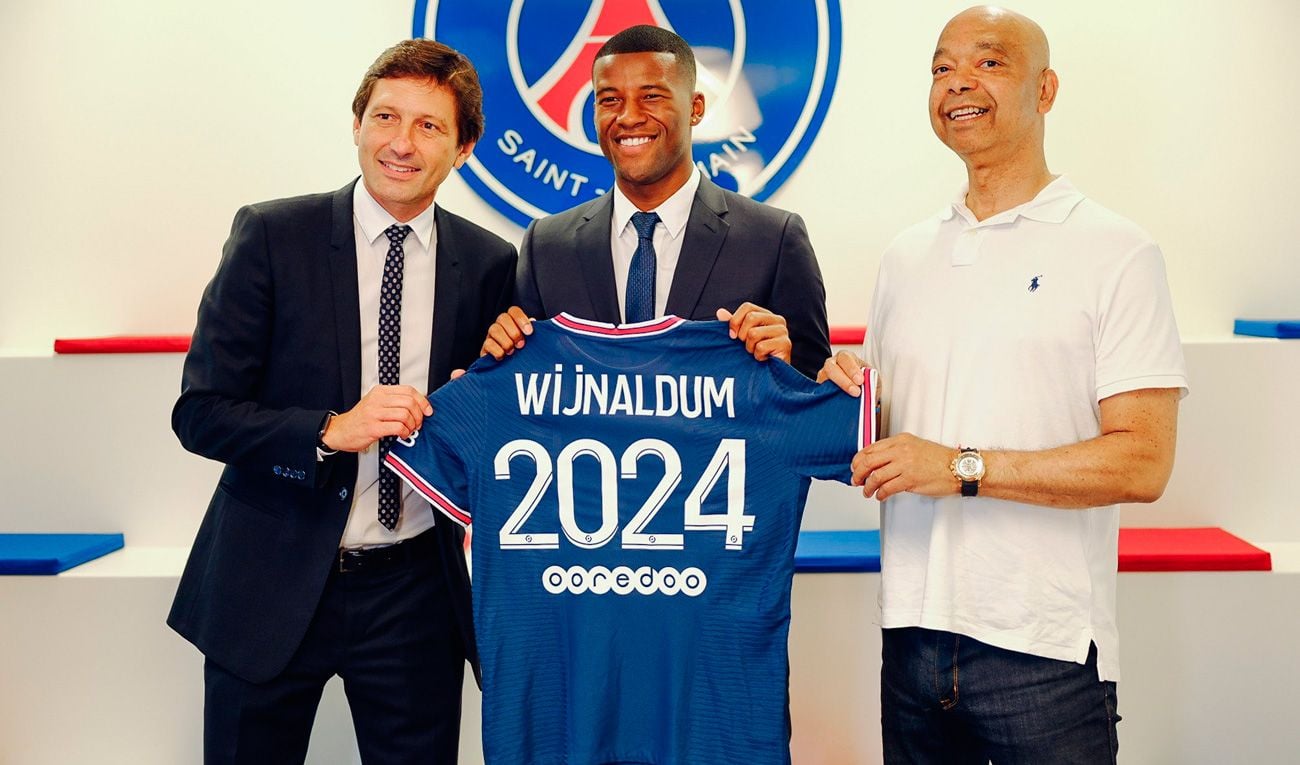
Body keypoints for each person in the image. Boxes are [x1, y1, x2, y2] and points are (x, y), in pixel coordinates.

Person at [820, 6, 1187, 762]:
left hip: (1045, 651)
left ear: (1045, 89)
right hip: (911, 639)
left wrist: (961, 467)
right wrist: (843, 394)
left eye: (989, 62)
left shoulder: (1117, 250)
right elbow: (887, 437)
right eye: (941, 67)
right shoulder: (906, 256)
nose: (958, 82)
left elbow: (1143, 461)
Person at [169, 39, 516, 764]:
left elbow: (491, 423)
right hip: (267, 575)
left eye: (429, 125)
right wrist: (329, 430)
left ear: (464, 150)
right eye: (385, 116)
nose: (401, 142)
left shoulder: (490, 263)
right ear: (356, 123)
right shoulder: (271, 236)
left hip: (416, 592)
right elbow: (200, 412)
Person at [479, 24, 831, 379]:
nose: (629, 117)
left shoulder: (774, 239)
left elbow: (816, 390)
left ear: (695, 108)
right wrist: (498, 360)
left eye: (651, 96)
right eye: (610, 100)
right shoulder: (546, 246)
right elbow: (525, 388)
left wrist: (786, 366)